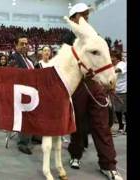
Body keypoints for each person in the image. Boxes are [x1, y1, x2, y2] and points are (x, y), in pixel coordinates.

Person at [63, 3, 123, 180]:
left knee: (101, 124)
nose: (85, 18)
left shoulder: (94, 35)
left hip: (95, 85)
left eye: (87, 15)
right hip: (78, 85)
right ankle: (75, 154)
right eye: (82, 15)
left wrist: (107, 79)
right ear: (74, 17)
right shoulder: (68, 37)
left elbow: (102, 60)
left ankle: (108, 165)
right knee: (78, 123)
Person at [9, 33, 40, 155]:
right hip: (20, 93)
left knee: (34, 115)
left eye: (26, 44)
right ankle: (23, 143)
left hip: (31, 92)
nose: (25, 46)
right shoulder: (14, 58)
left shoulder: (28, 59)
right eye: (22, 44)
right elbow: (13, 76)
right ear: (15, 45)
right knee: (25, 117)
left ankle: (33, 136)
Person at [111, 50, 127, 134]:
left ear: (117, 58)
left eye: (112, 57)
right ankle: (121, 126)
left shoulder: (122, 64)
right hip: (116, 91)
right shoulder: (114, 65)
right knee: (117, 110)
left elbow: (117, 71)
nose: (111, 59)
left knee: (125, 110)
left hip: (124, 90)